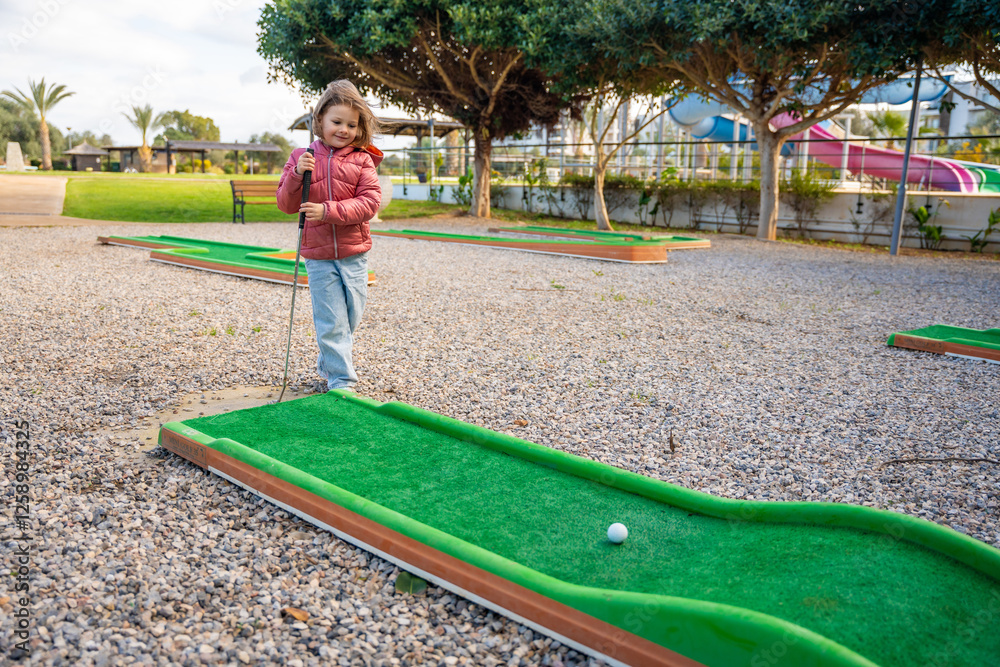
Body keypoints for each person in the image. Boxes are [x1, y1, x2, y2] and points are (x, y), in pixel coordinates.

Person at [276, 80, 382, 392]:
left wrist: (328, 210)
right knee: (332, 319)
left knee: (351, 314)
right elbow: (285, 204)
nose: (344, 129)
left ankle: (329, 361)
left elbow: (370, 203)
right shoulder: (301, 156)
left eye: (351, 124)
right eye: (337, 122)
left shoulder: (362, 160)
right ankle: (341, 382)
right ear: (320, 119)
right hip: (318, 256)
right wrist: (297, 175)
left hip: (354, 253)